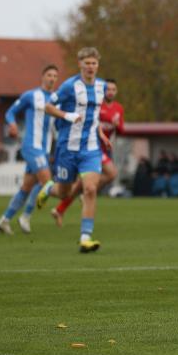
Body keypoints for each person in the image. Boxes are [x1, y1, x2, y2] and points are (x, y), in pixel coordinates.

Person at [36, 48, 111, 252]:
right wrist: (68, 116)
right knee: (63, 193)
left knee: (90, 189)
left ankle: (85, 237)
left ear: (98, 65)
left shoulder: (101, 86)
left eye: (93, 63)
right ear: (80, 64)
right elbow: (48, 107)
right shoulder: (69, 86)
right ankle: (48, 188)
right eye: (86, 63)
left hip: (91, 149)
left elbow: (93, 116)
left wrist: (102, 134)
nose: (90, 67)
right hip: (67, 148)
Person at [0, 65, 59, 235]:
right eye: (49, 75)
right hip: (31, 145)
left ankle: (4, 220)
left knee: (27, 187)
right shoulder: (31, 95)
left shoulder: (55, 98)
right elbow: (10, 112)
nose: (52, 78)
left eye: (55, 76)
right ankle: (26, 216)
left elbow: (58, 123)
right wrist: (13, 124)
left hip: (45, 149)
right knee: (47, 182)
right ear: (42, 76)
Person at [51, 79, 125, 226]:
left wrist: (117, 125)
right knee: (111, 173)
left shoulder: (118, 108)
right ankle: (66, 194)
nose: (110, 92)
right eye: (108, 89)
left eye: (113, 89)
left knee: (81, 187)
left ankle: (60, 209)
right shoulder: (96, 104)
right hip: (91, 146)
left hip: (104, 147)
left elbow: (121, 130)